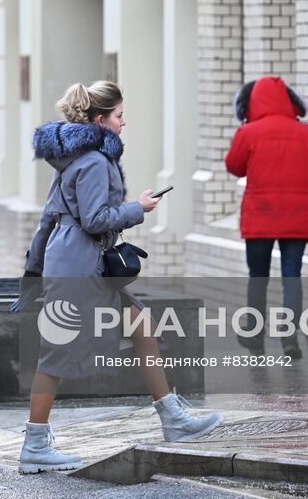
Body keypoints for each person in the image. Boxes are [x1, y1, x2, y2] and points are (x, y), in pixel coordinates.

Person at [17, 80, 221, 474]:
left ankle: (173, 419)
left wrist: (34, 272)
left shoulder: (73, 159)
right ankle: (35, 445)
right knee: (56, 355)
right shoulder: (93, 161)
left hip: (76, 265)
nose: (124, 123)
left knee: (144, 327)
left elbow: (47, 220)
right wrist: (138, 207)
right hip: (79, 269)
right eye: (119, 116)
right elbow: (95, 221)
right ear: (100, 119)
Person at [224, 77, 308, 359]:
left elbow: (234, 166)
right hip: (298, 219)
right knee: (292, 277)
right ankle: (289, 339)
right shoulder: (307, 133)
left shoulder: (248, 132)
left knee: (258, 277)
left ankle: (255, 337)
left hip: (260, 218)